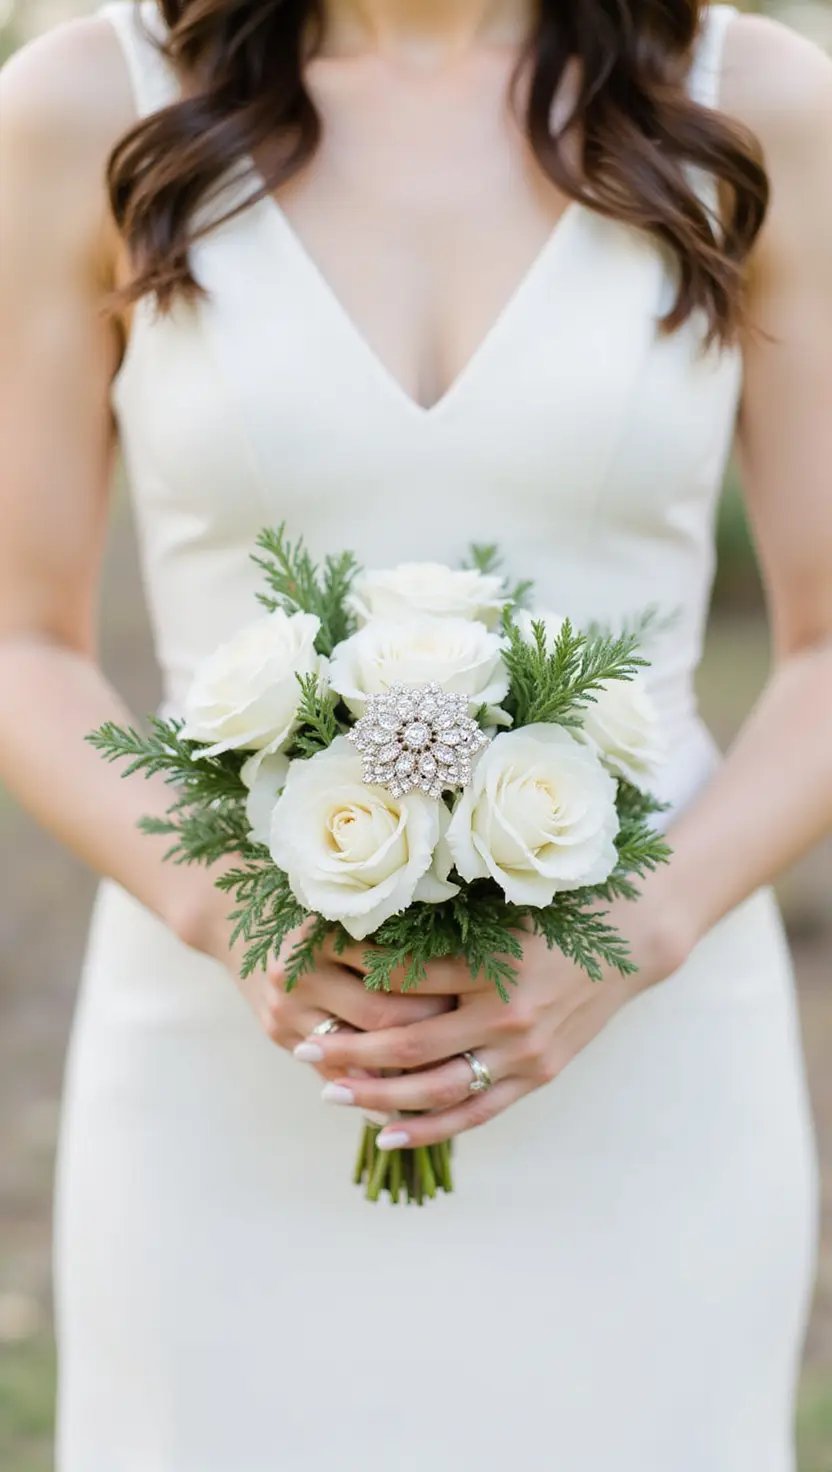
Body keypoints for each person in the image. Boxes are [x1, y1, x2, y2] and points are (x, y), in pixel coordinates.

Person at [0, 0, 829, 1466]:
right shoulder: (85, 105)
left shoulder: (760, 104)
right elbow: (18, 635)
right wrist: (227, 912)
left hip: (648, 1077)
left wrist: (641, 928)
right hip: (227, 1080)